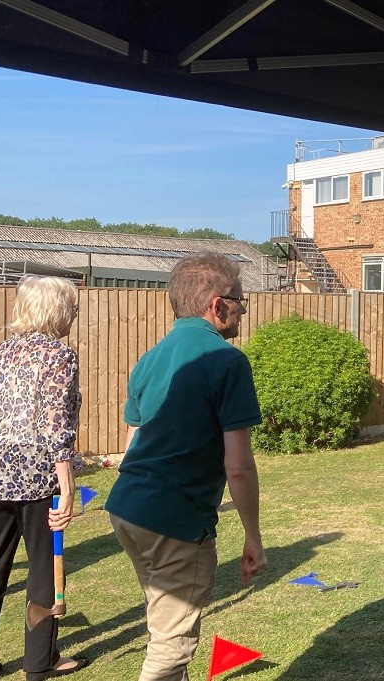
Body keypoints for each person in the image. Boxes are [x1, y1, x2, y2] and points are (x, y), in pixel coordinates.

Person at [106, 251, 266, 681]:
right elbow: (238, 467)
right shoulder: (227, 362)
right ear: (217, 305)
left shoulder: (149, 359)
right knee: (170, 648)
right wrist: (253, 536)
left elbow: (133, 442)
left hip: (127, 510)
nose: (242, 313)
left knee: (166, 622)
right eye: (240, 304)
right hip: (173, 523)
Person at [0, 276, 89, 681]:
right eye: (72, 307)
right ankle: (40, 662)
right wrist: (67, 486)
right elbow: (55, 424)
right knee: (43, 566)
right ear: (57, 311)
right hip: (33, 472)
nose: (75, 314)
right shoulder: (59, 356)